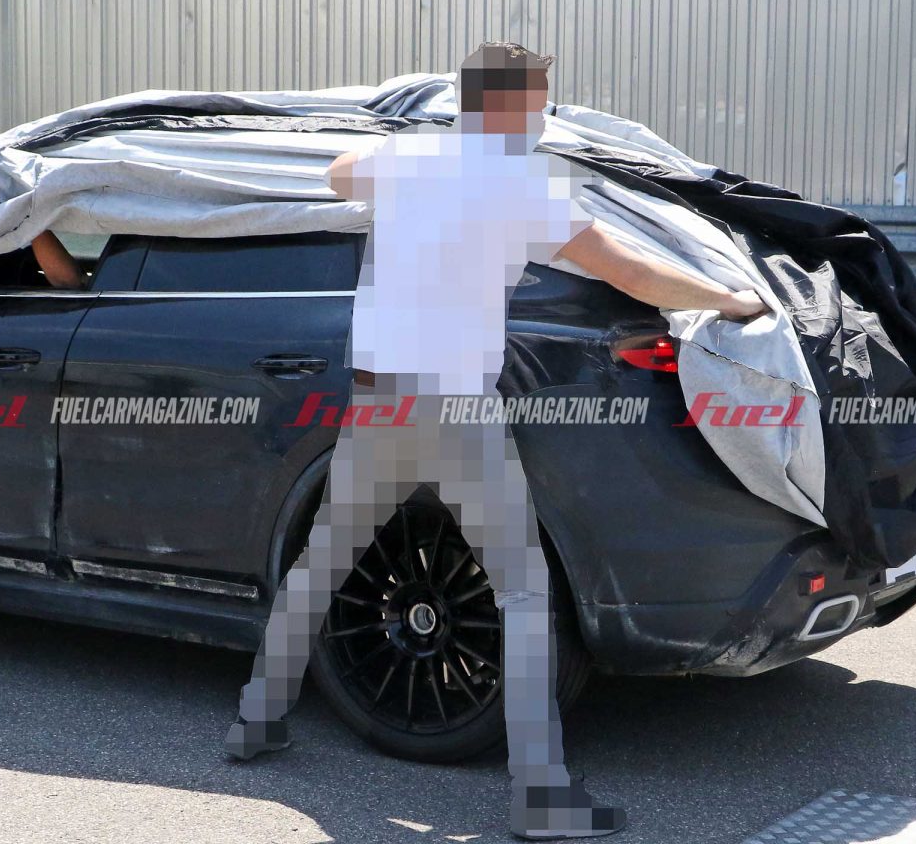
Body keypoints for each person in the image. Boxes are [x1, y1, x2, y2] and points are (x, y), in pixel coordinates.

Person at [225, 42, 766, 840]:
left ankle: (257, 719)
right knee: (521, 591)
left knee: (324, 563)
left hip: (378, 403)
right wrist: (729, 300)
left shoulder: (409, 158)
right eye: (539, 102)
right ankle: (540, 795)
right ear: (508, 106)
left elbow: (338, 174)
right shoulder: (523, 185)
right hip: (456, 411)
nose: (544, 115)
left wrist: (410, 152)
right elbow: (632, 274)